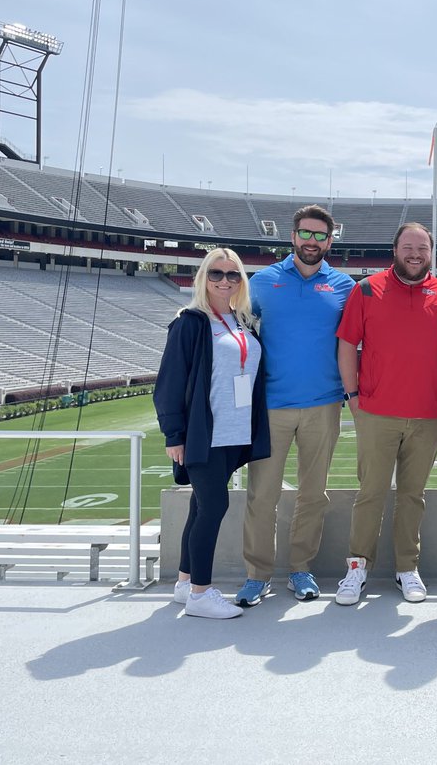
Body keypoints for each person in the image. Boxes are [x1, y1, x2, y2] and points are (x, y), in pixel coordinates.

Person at [333, 223, 437, 606]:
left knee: (412, 495)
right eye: (408, 247)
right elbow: (346, 345)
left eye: (422, 248)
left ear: (430, 253)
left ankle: (407, 567)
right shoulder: (367, 289)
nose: (415, 254)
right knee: (370, 493)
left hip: (427, 413)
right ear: (395, 249)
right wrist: (352, 394)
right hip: (377, 412)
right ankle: (357, 568)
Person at [235, 204, 355, 606]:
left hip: (324, 405)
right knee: (262, 495)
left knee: (313, 493)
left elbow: (355, 344)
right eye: (306, 233)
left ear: (330, 241)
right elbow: (238, 335)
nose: (312, 241)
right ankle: (257, 575)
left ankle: (300, 569)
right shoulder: (263, 282)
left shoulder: (344, 285)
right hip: (271, 405)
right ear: (293, 236)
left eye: (321, 235)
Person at [154, 247, 269, 619]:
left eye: (232, 274)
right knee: (214, 506)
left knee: (200, 505)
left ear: (241, 281)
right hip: (205, 432)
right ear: (204, 278)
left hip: (234, 432)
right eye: (216, 274)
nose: (224, 280)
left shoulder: (242, 320)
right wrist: (175, 435)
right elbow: (169, 383)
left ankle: (185, 583)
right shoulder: (190, 322)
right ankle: (201, 594)